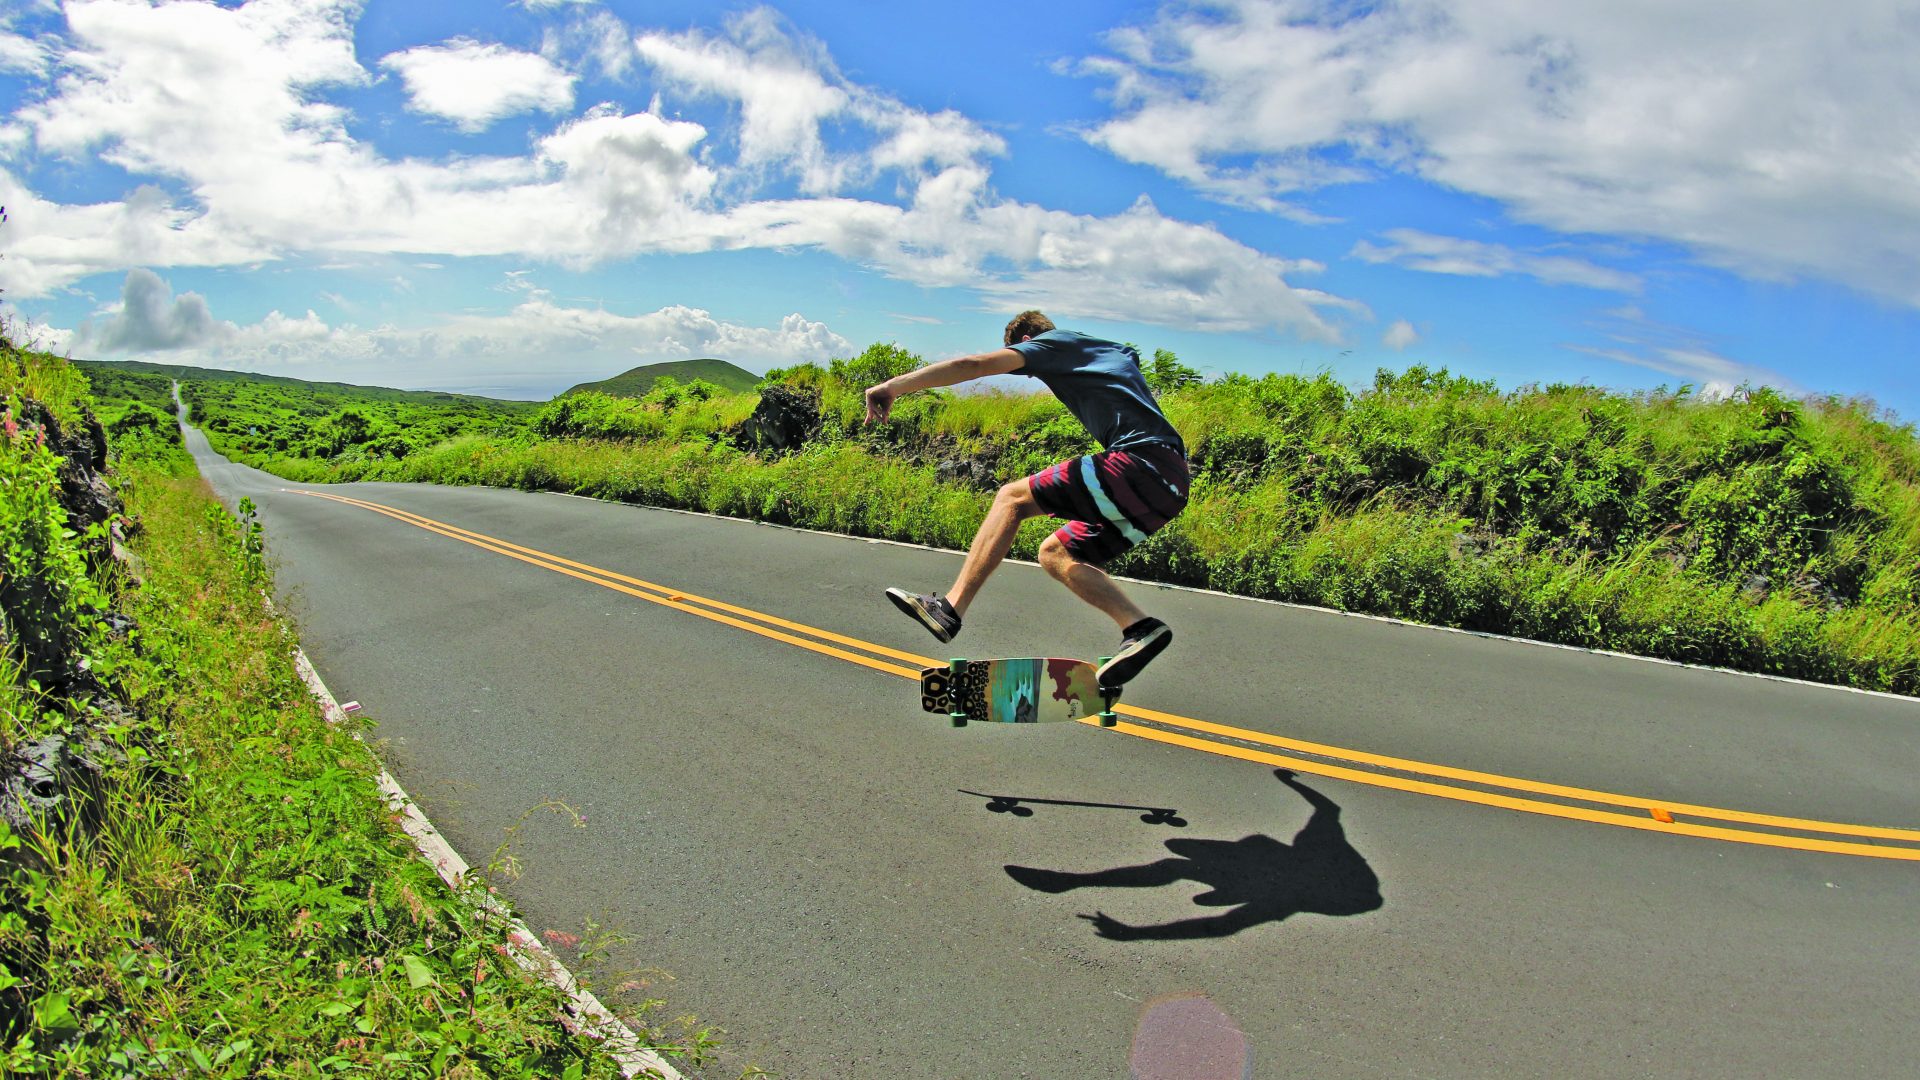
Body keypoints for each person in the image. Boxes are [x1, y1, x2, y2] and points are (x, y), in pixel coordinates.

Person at [864, 310, 1189, 689]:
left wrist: (892, 387)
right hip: (1171, 487)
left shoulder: (1053, 344)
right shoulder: (1104, 349)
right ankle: (1141, 627)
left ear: (1024, 343)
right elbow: (1126, 358)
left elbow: (973, 364)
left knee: (1011, 499)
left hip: (1140, 462)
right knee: (1057, 554)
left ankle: (949, 608)